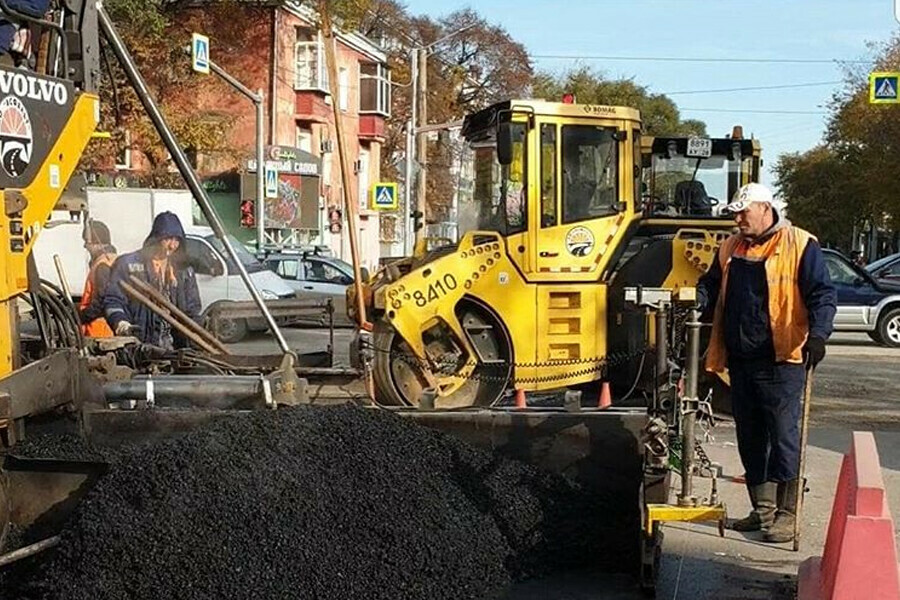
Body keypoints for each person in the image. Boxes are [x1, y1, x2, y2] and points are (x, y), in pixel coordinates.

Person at [696, 183, 836, 544]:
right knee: (751, 437)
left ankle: (788, 514)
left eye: (743, 212)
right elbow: (710, 285)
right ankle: (763, 511)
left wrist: (818, 335)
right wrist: (698, 300)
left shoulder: (800, 244)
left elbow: (822, 294)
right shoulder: (730, 247)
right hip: (740, 361)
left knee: (784, 437)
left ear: (765, 208)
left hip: (782, 360)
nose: (738, 219)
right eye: (736, 213)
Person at [104, 211, 202, 350]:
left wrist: (196, 337)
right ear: (156, 238)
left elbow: (192, 309)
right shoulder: (129, 265)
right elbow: (113, 300)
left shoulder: (184, 271)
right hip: (142, 347)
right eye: (167, 239)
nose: (172, 245)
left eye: (176, 240)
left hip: (176, 347)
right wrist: (121, 324)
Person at [79, 219, 117, 338]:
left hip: (99, 331)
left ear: (96, 242)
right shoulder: (114, 261)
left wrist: (80, 316)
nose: (85, 246)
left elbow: (101, 302)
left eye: (87, 242)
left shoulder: (102, 266)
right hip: (107, 328)